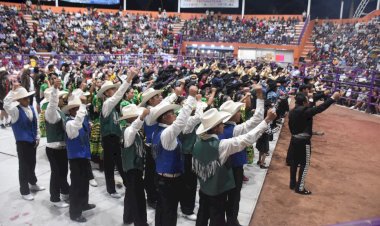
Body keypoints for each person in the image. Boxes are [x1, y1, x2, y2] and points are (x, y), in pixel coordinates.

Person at [193, 107, 276, 226]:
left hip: (204, 189)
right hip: (217, 192)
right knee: (217, 219)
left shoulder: (197, 142)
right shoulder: (221, 146)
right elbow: (247, 139)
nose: (223, 125)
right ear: (216, 128)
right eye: (221, 124)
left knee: (202, 215)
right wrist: (266, 120)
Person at [218, 85, 265, 226]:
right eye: (238, 111)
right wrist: (260, 96)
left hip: (220, 168)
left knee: (221, 197)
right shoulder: (236, 129)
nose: (240, 113)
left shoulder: (216, 127)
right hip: (234, 168)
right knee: (233, 197)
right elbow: (257, 119)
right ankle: (232, 221)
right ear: (232, 115)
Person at [151, 85, 198, 226]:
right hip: (169, 181)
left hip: (162, 177)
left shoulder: (157, 131)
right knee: (170, 213)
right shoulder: (167, 133)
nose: (175, 115)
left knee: (162, 210)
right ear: (165, 118)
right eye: (172, 113)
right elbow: (180, 122)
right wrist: (191, 97)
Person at [287, 91, 341, 195]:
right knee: (305, 164)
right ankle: (300, 188)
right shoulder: (305, 111)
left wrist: (314, 133)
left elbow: (297, 125)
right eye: (307, 100)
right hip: (304, 142)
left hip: (294, 139)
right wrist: (333, 98)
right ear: (304, 102)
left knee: (294, 162)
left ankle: (292, 183)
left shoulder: (292, 111)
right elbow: (320, 108)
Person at [139, 84, 183, 209]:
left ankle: (156, 195)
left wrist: (175, 94)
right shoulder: (150, 111)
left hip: (157, 146)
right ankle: (152, 197)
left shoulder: (154, 109)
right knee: (151, 174)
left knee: (155, 173)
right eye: (157, 96)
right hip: (152, 147)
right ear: (150, 100)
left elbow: (165, 102)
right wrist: (175, 94)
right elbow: (164, 104)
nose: (160, 97)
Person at [98, 67, 138, 198]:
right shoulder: (107, 104)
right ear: (106, 93)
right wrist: (128, 79)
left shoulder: (113, 108)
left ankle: (127, 184)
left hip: (114, 138)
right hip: (108, 139)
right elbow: (119, 95)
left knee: (120, 163)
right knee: (110, 164)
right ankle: (111, 189)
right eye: (112, 89)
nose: (115, 91)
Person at [4, 81, 45, 201]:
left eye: (27, 97)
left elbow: (35, 124)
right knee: (23, 167)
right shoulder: (15, 111)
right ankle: (24, 190)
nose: (27, 99)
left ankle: (32, 183)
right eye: (24, 98)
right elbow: (6, 104)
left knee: (32, 164)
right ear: (19, 100)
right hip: (22, 143)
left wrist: (37, 137)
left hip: (32, 141)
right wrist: (13, 91)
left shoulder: (32, 108)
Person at [63, 96, 96, 222]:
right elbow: (77, 124)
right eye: (76, 109)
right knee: (76, 185)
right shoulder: (70, 123)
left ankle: (84, 204)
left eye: (79, 108)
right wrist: (82, 106)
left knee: (84, 183)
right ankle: (75, 213)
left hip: (84, 156)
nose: (79, 111)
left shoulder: (80, 121)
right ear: (71, 111)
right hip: (76, 158)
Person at [120, 104, 150, 226]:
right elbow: (133, 129)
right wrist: (142, 117)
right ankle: (140, 222)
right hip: (132, 168)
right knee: (138, 197)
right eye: (135, 116)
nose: (137, 118)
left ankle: (128, 217)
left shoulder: (132, 131)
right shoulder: (128, 130)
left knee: (130, 194)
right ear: (130, 119)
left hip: (133, 167)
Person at [44, 78, 70, 208]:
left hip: (62, 147)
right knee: (56, 174)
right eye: (60, 97)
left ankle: (65, 191)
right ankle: (54, 198)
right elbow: (52, 104)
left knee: (63, 172)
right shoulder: (51, 112)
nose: (62, 99)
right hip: (54, 149)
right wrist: (54, 89)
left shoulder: (60, 111)